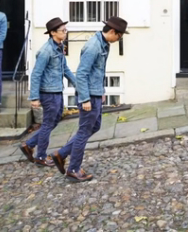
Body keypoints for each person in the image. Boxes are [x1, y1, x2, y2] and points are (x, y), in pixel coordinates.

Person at [50, 17, 129, 182]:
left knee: (95, 126)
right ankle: (73, 169)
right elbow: (82, 73)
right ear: (112, 31)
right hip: (88, 96)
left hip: (95, 93)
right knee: (83, 132)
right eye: (119, 36)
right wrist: (85, 99)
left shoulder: (103, 44)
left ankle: (61, 154)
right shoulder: (93, 46)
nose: (119, 39)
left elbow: (98, 71)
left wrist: (101, 91)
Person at [19, 17, 78, 167]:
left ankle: (29, 145)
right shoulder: (46, 51)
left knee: (55, 120)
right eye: (62, 30)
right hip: (48, 93)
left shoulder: (59, 47)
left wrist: (78, 85)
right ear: (53, 33)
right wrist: (34, 97)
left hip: (57, 90)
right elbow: (36, 74)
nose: (65, 32)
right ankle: (41, 156)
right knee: (47, 124)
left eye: (65, 30)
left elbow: (65, 69)